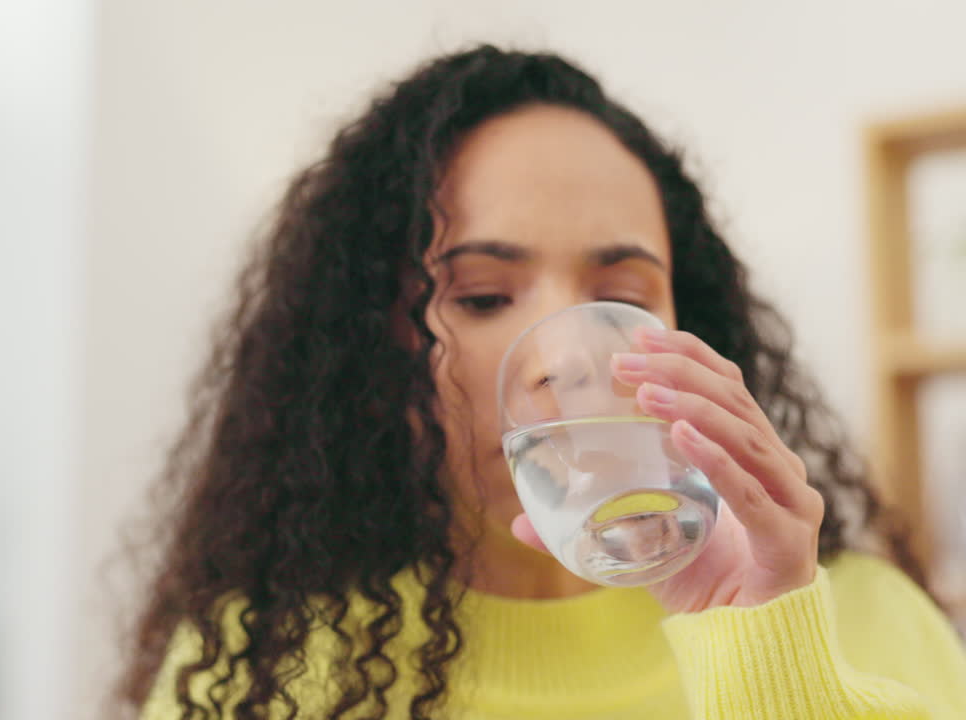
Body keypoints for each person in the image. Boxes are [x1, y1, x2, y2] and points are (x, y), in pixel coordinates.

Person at [118, 45, 966, 719]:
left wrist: (769, 656)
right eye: (484, 296)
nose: (569, 357)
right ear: (372, 346)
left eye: (623, 296)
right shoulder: (263, 668)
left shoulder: (862, 617)